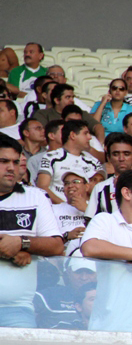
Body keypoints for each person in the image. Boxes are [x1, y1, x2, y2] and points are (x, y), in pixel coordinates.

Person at [0, 135, 64, 328]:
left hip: (17, 309)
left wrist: (22, 243)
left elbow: (56, 245)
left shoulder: (35, 197)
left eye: (15, 161)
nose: (11, 168)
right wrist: (9, 250)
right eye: (3, 161)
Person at [36, 120, 105, 204]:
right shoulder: (51, 157)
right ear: (73, 135)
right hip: (57, 212)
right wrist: (65, 207)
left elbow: (100, 190)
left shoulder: (93, 161)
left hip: (86, 212)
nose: (89, 137)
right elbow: (42, 186)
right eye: (85, 133)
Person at [85, 133, 132, 219]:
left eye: (126, 154)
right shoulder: (100, 188)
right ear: (109, 158)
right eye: (116, 154)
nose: (121, 158)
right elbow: (90, 220)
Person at [33, 84, 105, 139]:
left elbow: (98, 127)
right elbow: (41, 134)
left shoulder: (80, 113)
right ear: (57, 100)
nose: (72, 100)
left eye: (72, 97)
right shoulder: (42, 114)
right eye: (68, 97)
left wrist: (100, 145)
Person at [53, 171, 91, 256]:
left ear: (87, 187)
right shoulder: (53, 209)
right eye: (67, 183)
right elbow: (47, 239)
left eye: (76, 182)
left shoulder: (96, 208)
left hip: (90, 256)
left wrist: (87, 209)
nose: (70, 186)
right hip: (61, 256)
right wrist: (67, 235)